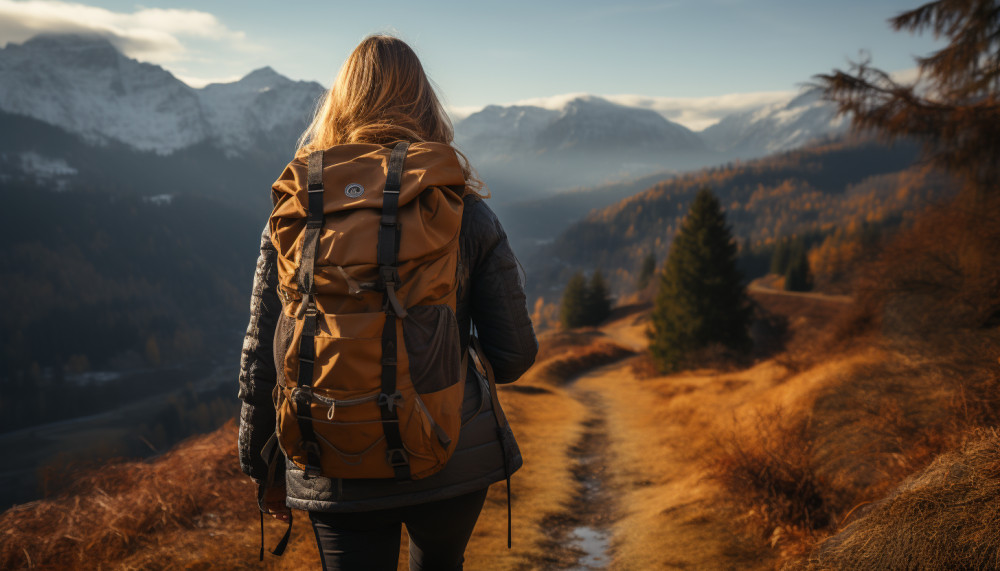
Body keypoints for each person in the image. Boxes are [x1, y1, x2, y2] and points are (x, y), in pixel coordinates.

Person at [237, 34, 537, 571]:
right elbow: (513, 356)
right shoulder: (461, 210)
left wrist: (260, 461)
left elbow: (264, 356)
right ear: (426, 104)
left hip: (331, 453)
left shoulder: (296, 216)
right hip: (447, 454)